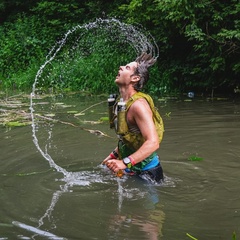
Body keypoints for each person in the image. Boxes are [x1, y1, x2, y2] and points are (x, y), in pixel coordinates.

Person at [102, 53, 164, 184]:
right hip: (131, 170)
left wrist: (124, 163)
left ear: (135, 78)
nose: (120, 67)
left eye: (127, 68)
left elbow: (153, 142)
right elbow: (129, 138)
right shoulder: (121, 103)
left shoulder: (138, 106)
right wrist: (113, 156)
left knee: (148, 205)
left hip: (149, 174)